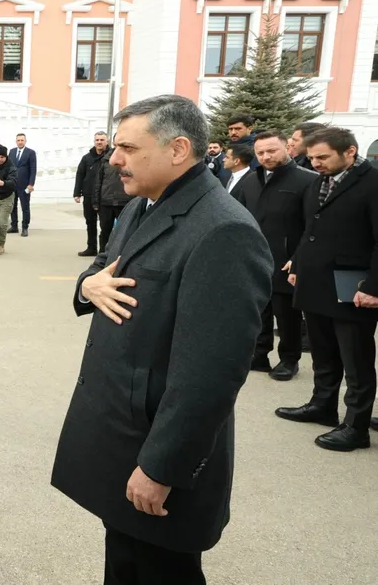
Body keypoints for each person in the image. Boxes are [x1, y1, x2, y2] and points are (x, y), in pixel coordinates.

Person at [51, 94, 272, 585]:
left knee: (159, 571)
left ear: (177, 149)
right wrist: (87, 287)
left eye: (129, 148)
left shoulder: (223, 232)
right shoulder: (143, 205)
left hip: (156, 455)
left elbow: (210, 376)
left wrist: (161, 469)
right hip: (123, 437)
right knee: (126, 563)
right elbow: (103, 269)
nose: (114, 158)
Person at [277, 127, 378, 451]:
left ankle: (356, 427)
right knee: (323, 352)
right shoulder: (319, 182)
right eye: (311, 157)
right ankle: (322, 406)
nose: (315, 163)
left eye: (322, 157)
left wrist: (374, 287)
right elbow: (311, 228)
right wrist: (297, 263)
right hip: (316, 281)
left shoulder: (372, 183)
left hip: (353, 286)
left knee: (356, 360)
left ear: (350, 152)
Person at [234, 130, 317, 382]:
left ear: (286, 148)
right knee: (259, 311)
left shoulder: (307, 180)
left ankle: (289, 359)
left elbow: (313, 225)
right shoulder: (251, 180)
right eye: (260, 152)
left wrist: (299, 257)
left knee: (287, 314)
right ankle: (259, 355)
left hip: (286, 259)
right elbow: (239, 215)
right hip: (255, 257)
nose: (266, 156)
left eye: (272, 150)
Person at [93, 136, 131, 254]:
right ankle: (103, 255)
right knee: (105, 231)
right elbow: (98, 182)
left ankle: (122, 255)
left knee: (125, 231)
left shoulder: (131, 158)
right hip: (106, 202)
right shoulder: (105, 160)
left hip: (125, 202)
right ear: (114, 143)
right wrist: (96, 201)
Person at [73, 132, 109, 253]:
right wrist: (77, 193)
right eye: (97, 140)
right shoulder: (87, 158)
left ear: (107, 141)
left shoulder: (111, 156)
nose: (99, 142)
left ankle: (104, 250)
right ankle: (91, 247)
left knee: (105, 225)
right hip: (89, 195)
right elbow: (80, 175)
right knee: (90, 222)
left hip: (104, 196)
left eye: (102, 140)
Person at [8, 133, 37, 237]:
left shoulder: (31, 153)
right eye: (18, 140)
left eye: (22, 140)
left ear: (25, 141)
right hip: (12, 185)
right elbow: (8, 167)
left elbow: (33, 169)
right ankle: (14, 226)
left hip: (25, 185)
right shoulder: (12, 152)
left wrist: (31, 184)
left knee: (25, 207)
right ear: (16, 141)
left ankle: (25, 227)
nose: (20, 142)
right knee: (12, 206)